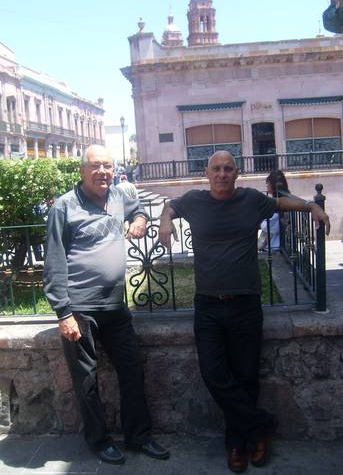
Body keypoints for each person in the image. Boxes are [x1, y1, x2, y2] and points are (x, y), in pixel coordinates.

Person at [158, 151, 330, 473]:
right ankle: (261, 425)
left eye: (228, 169)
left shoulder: (251, 200)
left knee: (247, 377)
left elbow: (281, 203)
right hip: (208, 305)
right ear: (206, 173)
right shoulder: (194, 201)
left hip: (246, 303)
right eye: (216, 169)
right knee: (213, 374)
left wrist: (311, 206)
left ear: (236, 174)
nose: (222, 174)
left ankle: (239, 443)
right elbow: (171, 205)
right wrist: (166, 218)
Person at [43, 144, 169, 465]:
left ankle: (139, 437)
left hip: (115, 305)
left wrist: (139, 220)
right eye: (96, 166)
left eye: (108, 166)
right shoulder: (64, 207)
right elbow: (54, 261)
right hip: (80, 309)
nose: (103, 172)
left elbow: (138, 208)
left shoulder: (119, 195)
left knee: (131, 372)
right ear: (82, 170)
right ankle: (99, 441)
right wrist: (63, 312)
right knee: (86, 381)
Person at [258, 170, 290, 251]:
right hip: (274, 244)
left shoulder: (280, 204)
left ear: (273, 185)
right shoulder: (283, 200)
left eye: (268, 183)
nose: (267, 185)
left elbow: (268, 227)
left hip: (275, 247)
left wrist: (261, 221)